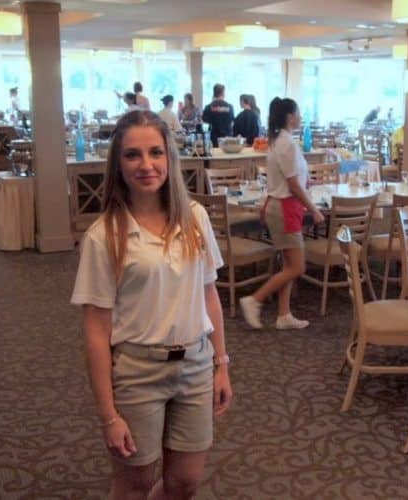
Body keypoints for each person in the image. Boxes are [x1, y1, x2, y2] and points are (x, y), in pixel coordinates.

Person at [71, 110, 232, 499]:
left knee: (185, 482)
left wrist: (221, 364)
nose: (146, 165)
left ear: (169, 158)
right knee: (135, 484)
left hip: (195, 365)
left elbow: (209, 293)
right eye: (133, 155)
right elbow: (96, 332)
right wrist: (108, 415)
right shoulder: (104, 235)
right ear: (118, 164)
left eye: (156, 152)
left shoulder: (195, 217)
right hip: (137, 371)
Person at [239, 97, 325, 330]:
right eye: (298, 112)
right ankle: (254, 300)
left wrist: (310, 181)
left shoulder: (282, 141)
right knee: (297, 267)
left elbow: (294, 179)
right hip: (285, 207)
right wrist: (314, 209)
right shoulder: (286, 143)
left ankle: (284, 314)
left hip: (283, 204)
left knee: (289, 265)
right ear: (290, 116)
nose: (301, 116)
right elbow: (293, 185)